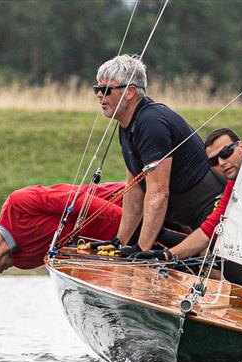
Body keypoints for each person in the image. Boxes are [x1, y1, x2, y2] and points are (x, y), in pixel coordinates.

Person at [95, 55, 224, 254]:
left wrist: (141, 250)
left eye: (106, 90)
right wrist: (119, 243)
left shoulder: (151, 122)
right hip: (189, 220)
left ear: (129, 92)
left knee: (214, 268)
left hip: (213, 218)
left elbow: (158, 192)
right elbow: (135, 190)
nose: (99, 95)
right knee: (140, 233)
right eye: (97, 89)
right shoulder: (127, 124)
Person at [0, 182, 124, 287]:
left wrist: (130, 224)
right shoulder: (23, 262)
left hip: (127, 202)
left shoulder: (18, 204)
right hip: (122, 243)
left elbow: (81, 202)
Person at [131, 128, 242, 261]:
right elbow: (208, 231)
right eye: (213, 161)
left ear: (241, 146)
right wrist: (165, 255)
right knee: (208, 251)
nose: (221, 163)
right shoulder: (233, 185)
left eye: (226, 153)